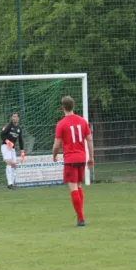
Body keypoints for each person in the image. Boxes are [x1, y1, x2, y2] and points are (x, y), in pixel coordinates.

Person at [52, 96, 94, 227]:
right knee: (79, 185)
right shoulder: (82, 121)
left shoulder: (61, 124)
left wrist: (54, 155)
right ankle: (80, 216)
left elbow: (56, 144)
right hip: (81, 158)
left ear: (63, 108)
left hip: (70, 159)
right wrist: (91, 157)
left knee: (73, 188)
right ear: (73, 106)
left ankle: (81, 219)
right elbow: (90, 140)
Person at [0, 111, 25, 189]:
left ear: (18, 118)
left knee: (14, 165)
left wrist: (22, 153)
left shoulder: (19, 129)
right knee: (9, 163)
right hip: (5, 146)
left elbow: (20, 141)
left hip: (12, 148)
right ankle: (10, 184)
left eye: (15, 116)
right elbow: (2, 134)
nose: (14, 118)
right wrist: (7, 142)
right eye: (13, 116)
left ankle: (13, 183)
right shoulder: (9, 126)